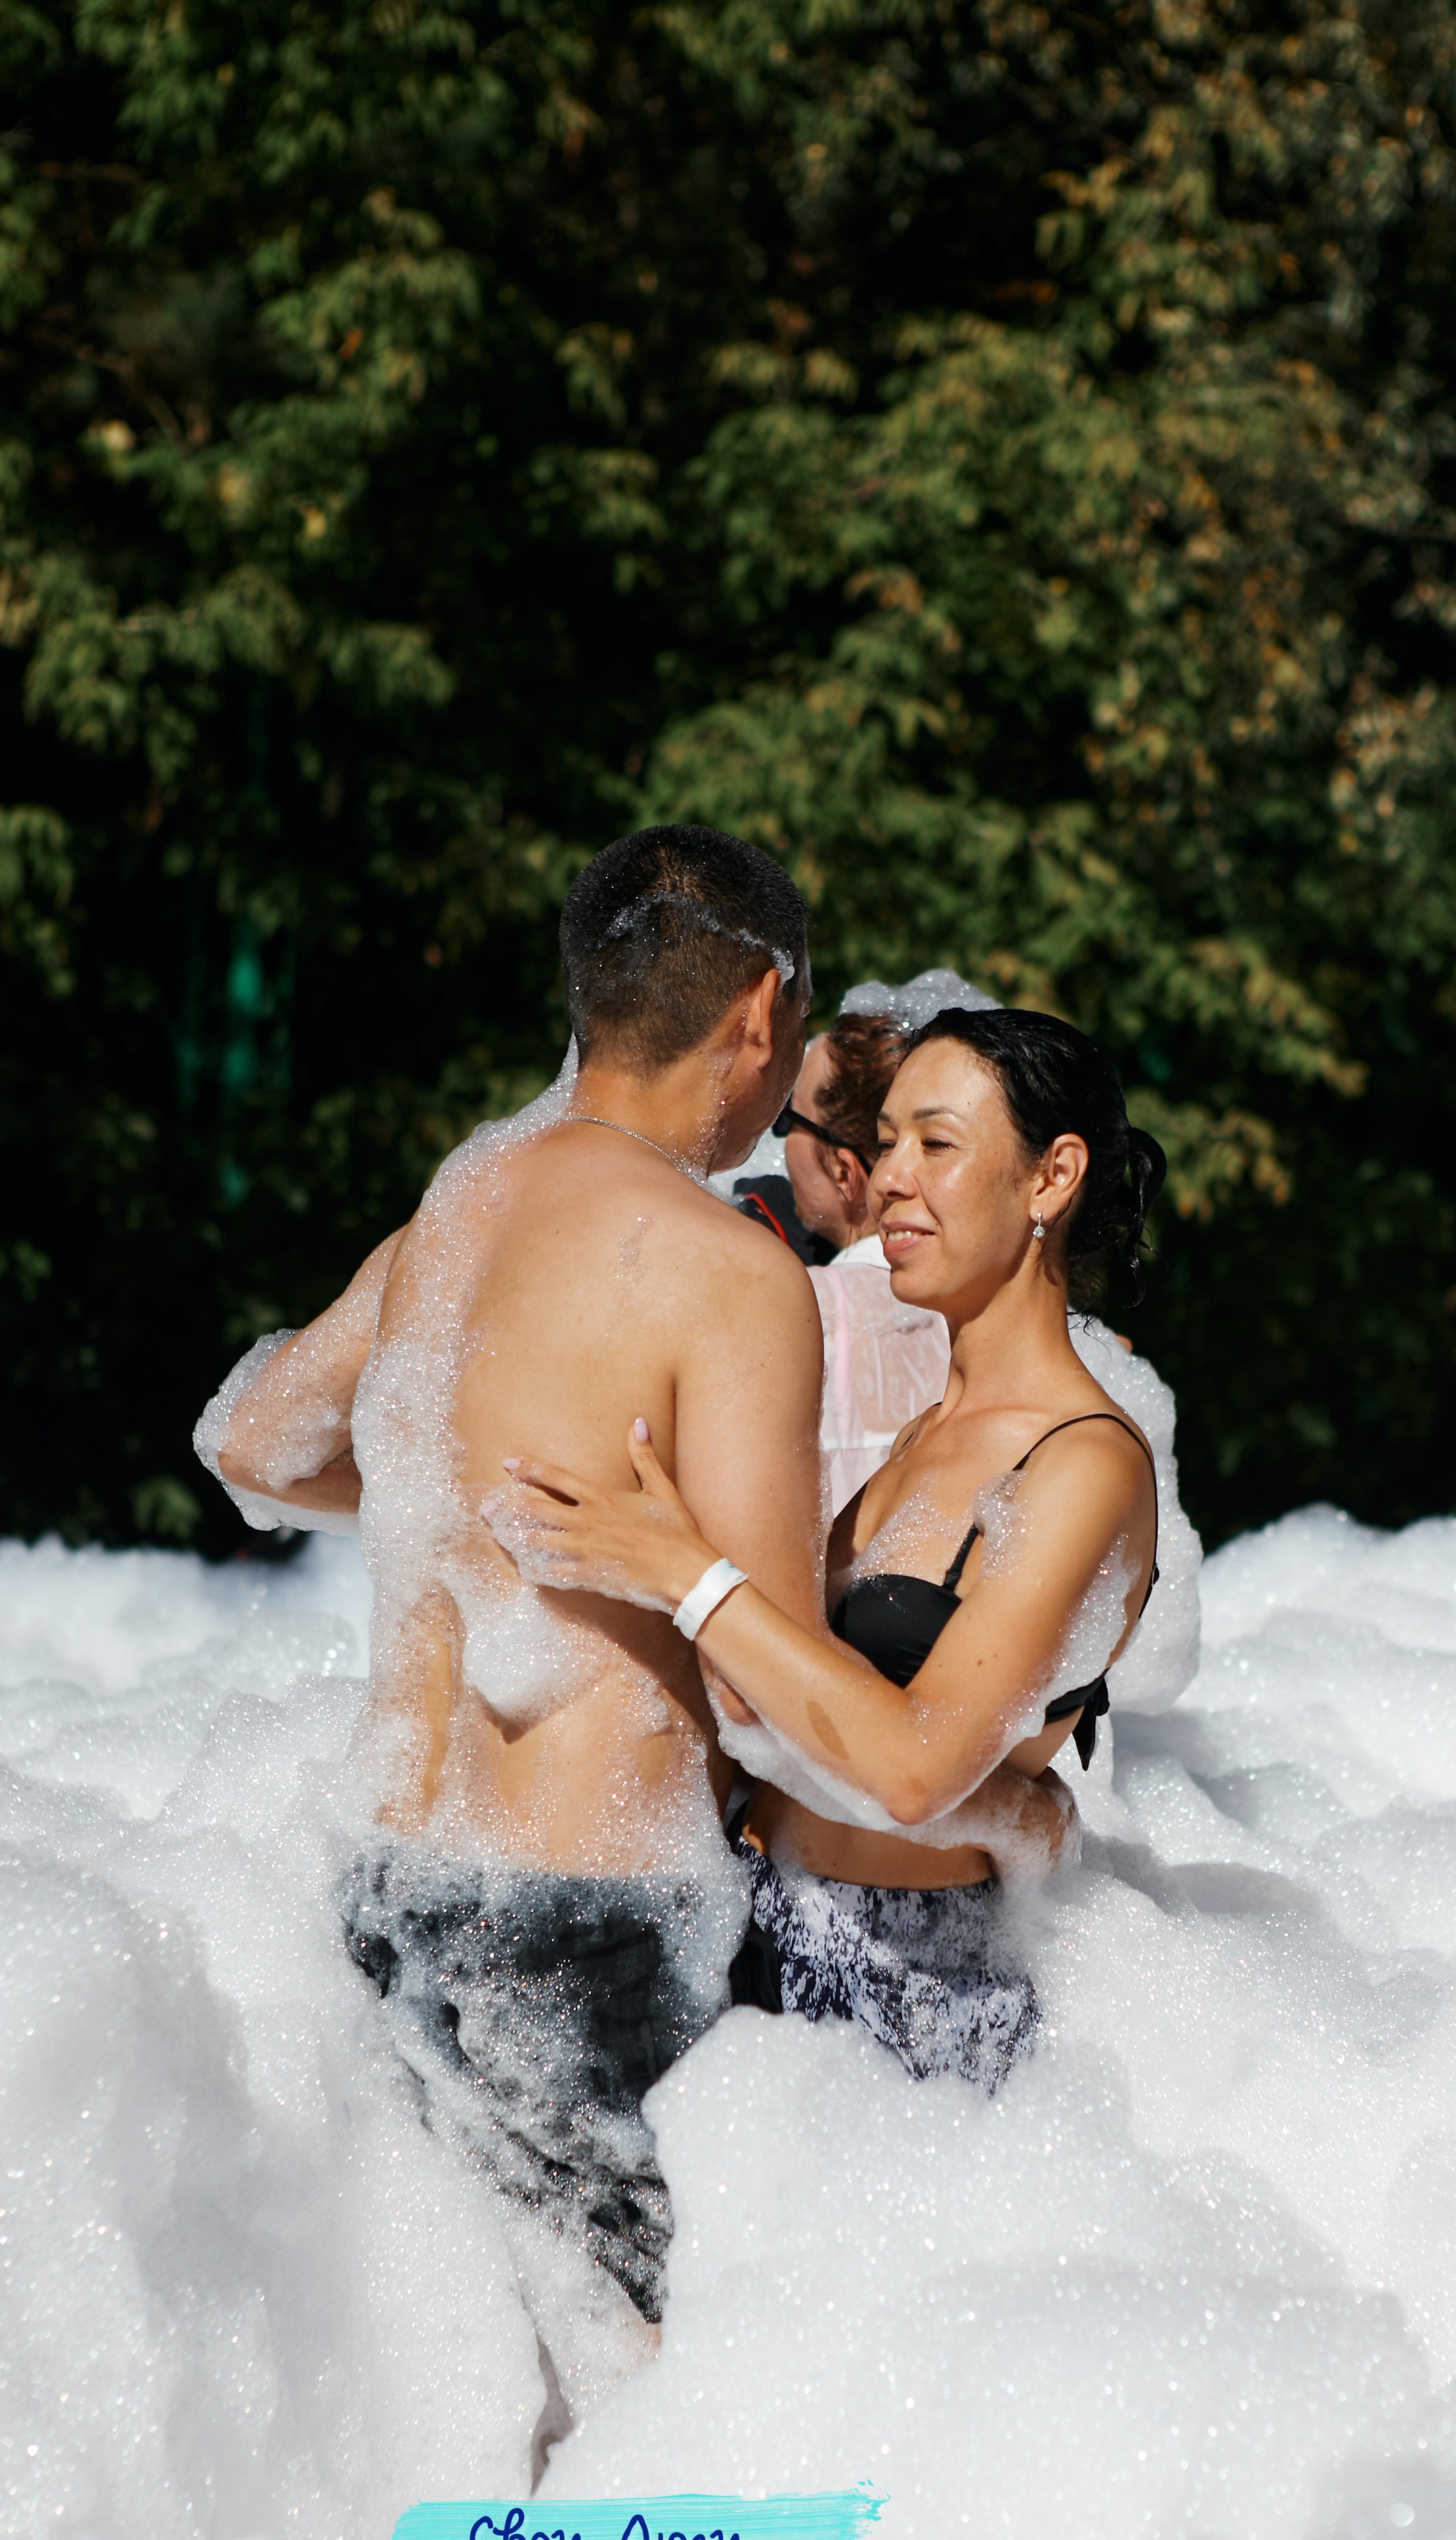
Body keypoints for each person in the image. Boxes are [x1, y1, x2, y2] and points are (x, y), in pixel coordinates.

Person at [200, 827, 1071, 2400]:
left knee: (450, 2410)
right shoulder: (720, 1269)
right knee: (659, 2428)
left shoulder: (457, 1209)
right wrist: (1002, 1805)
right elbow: (764, 1702)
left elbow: (252, 1443)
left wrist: (458, 1505)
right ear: (760, 1013)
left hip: (381, 1886)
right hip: (586, 1924)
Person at [486, 1006, 1166, 2094]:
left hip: (906, 2000)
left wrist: (684, 1572)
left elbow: (913, 1768)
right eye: (887, 1143)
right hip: (759, 1930)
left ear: (1053, 1177)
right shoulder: (921, 1437)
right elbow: (804, 1705)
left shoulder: (1085, 1464)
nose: (891, 1178)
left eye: (936, 1144)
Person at [779, 1008, 951, 1516]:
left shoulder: (789, 1309)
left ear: (843, 1169)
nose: (780, 1144)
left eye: (790, 1122)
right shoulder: (1000, 1311)